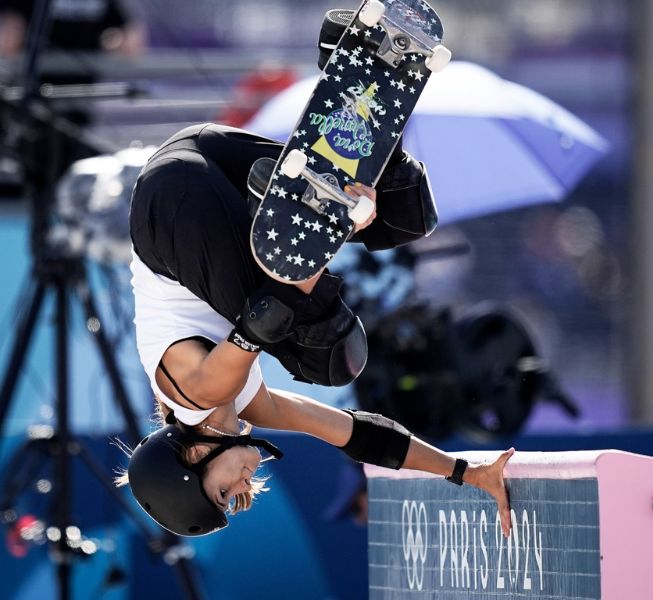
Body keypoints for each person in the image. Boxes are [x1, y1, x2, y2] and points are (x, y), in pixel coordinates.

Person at [116, 9, 515, 538]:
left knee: (326, 358)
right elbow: (353, 434)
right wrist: (464, 471)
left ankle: (319, 210)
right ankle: (355, 70)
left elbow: (268, 313)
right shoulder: (247, 403)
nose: (243, 494)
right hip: (200, 160)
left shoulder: (195, 391)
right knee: (407, 217)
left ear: (192, 454)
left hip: (173, 213)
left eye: (224, 495)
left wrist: (328, 233)